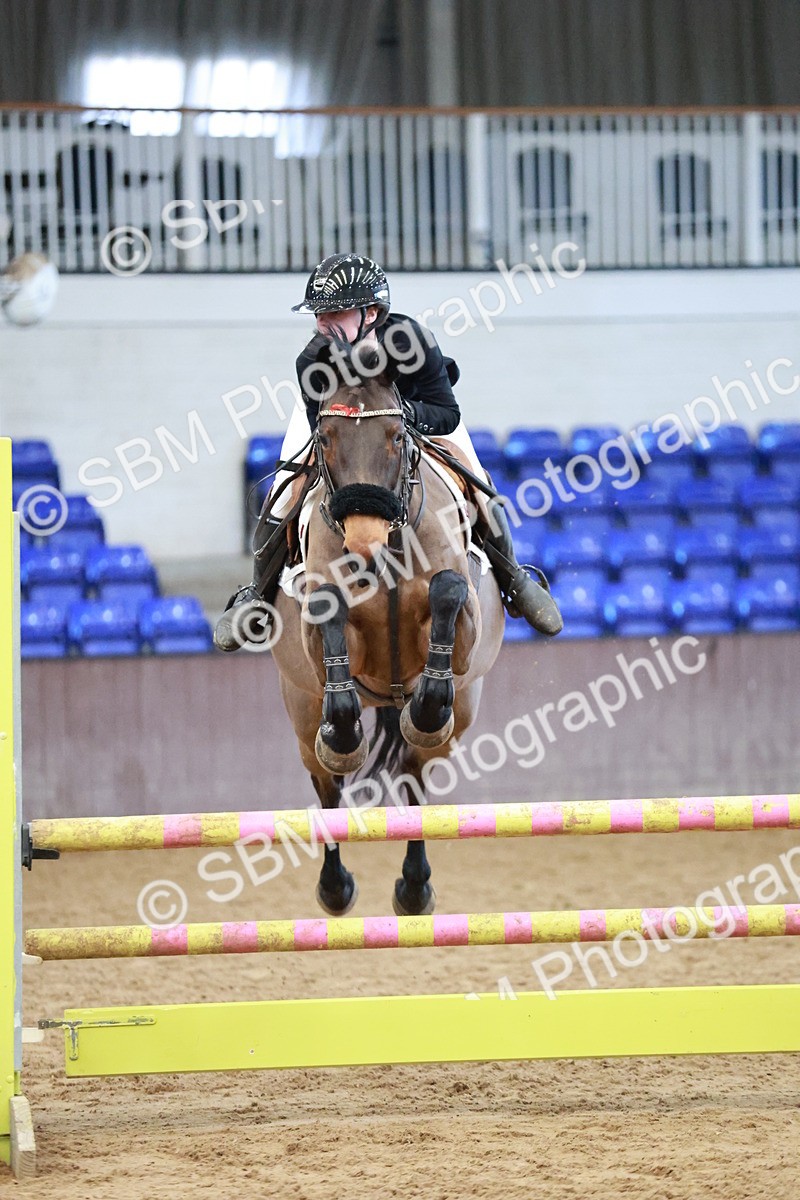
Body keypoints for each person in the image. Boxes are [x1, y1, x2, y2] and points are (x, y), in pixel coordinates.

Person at [214, 253, 562, 650]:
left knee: (479, 483)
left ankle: (514, 578)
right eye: (319, 314)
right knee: (283, 492)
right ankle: (257, 595)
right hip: (340, 424)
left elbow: (447, 413)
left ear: (372, 312)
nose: (322, 323)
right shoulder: (313, 359)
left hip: (416, 415)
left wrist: (400, 418)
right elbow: (322, 431)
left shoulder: (410, 341)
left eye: (334, 313)